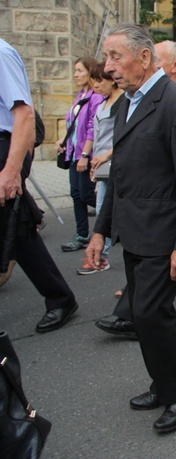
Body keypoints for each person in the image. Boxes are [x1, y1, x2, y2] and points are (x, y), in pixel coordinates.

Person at [86, 22, 176, 433]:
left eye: (114, 57)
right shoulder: (127, 103)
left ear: (143, 57)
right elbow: (121, 175)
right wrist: (101, 231)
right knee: (143, 318)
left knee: (150, 313)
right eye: (106, 58)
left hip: (164, 235)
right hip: (134, 231)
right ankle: (164, 383)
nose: (108, 67)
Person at [0, 38, 79, 333]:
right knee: (16, 227)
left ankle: (60, 297)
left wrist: (10, 170)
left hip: (6, 148)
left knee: (17, 230)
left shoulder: (1, 54)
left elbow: (24, 116)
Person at [76, 63, 125, 275]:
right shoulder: (104, 103)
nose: (97, 85)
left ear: (112, 79)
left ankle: (101, 255)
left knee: (105, 208)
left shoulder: (123, 102)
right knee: (103, 206)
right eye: (94, 80)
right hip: (101, 163)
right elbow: (95, 133)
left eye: (100, 80)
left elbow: (125, 135)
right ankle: (100, 252)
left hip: (114, 162)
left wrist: (106, 155)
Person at [54, 57, 104, 252]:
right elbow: (74, 126)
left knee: (85, 194)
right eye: (75, 71)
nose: (76, 74)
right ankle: (82, 234)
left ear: (90, 72)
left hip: (85, 155)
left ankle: (116, 213)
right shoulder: (79, 96)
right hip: (73, 154)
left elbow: (92, 128)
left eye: (80, 70)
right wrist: (63, 141)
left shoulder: (95, 97)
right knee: (76, 194)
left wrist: (85, 154)